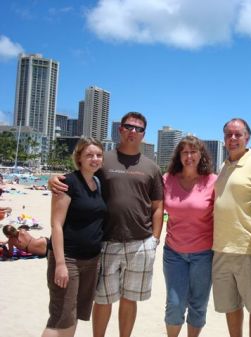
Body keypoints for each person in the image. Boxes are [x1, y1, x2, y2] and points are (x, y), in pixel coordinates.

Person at [48, 112, 164, 337]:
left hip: (140, 243)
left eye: (138, 129)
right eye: (129, 126)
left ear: (143, 134)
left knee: (130, 299)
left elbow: (158, 206)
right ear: (120, 129)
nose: (133, 131)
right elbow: (78, 177)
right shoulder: (103, 159)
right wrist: (54, 178)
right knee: (103, 298)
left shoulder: (152, 167)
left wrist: (155, 239)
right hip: (106, 241)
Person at [212, 118, 251, 337]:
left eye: (238, 134)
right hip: (221, 248)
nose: (233, 138)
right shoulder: (223, 166)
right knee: (231, 305)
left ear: (248, 137)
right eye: (228, 134)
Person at [42, 137, 106, 337]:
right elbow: (57, 225)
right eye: (89, 155)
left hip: (91, 260)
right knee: (61, 316)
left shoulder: (97, 182)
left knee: (74, 313)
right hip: (68, 259)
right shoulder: (68, 182)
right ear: (79, 158)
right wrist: (60, 263)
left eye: (98, 155)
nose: (94, 159)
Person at [163, 135, 217, 337]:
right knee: (175, 304)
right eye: (184, 152)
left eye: (193, 151)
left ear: (201, 154)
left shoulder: (213, 181)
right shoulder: (167, 179)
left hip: (204, 254)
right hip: (174, 253)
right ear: (179, 156)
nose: (189, 156)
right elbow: (150, 205)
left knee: (198, 304)